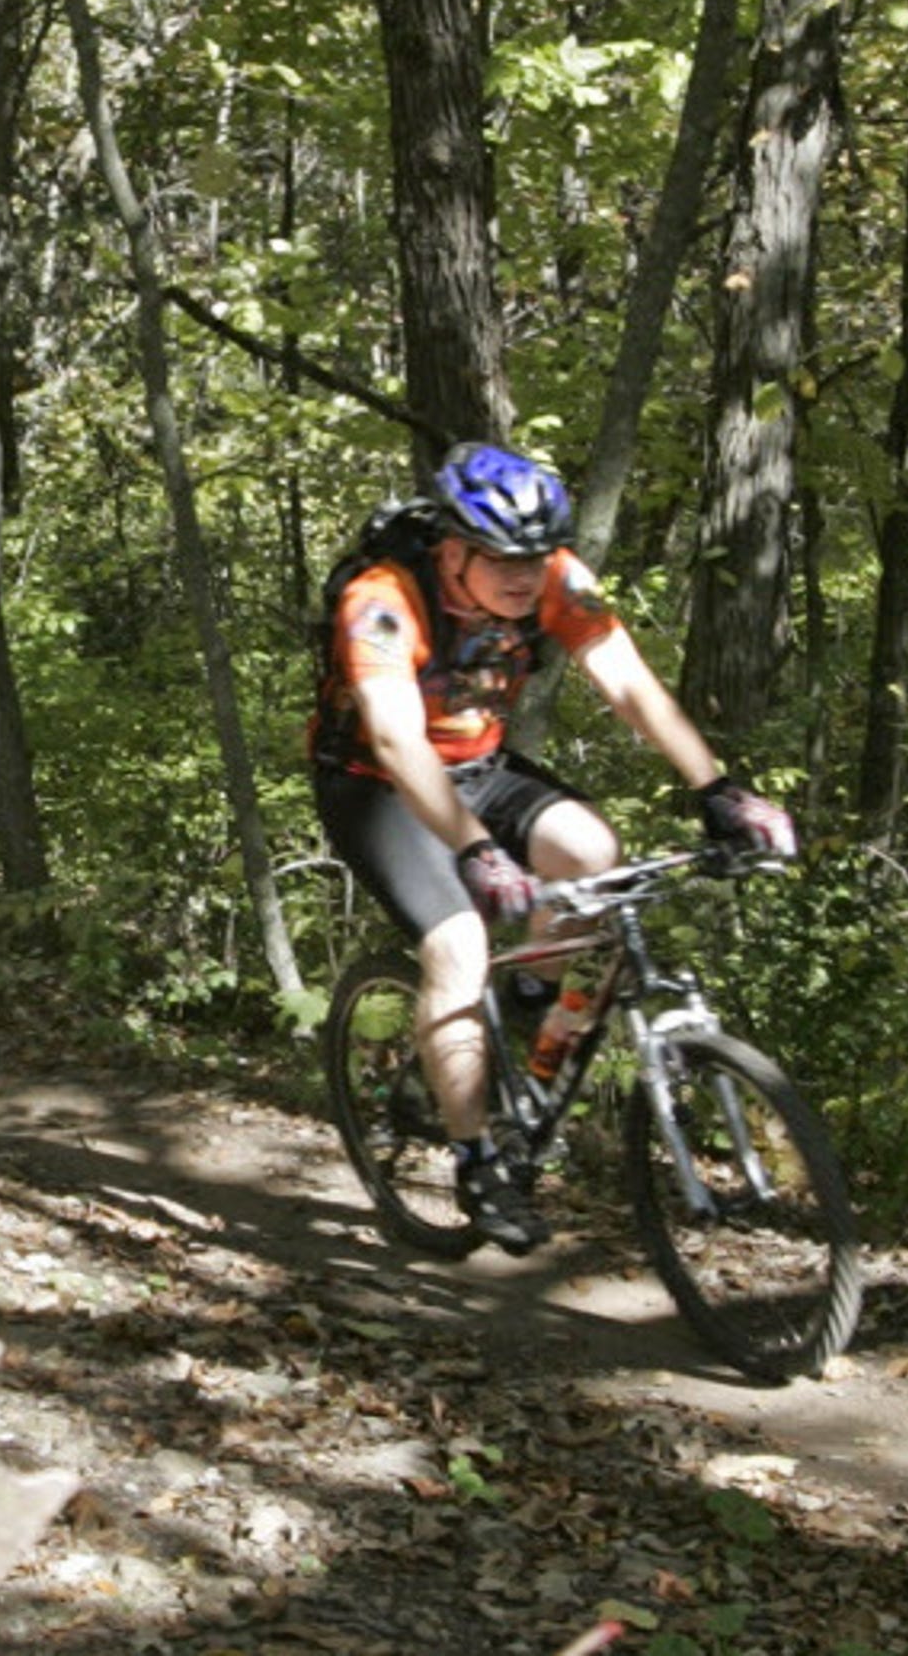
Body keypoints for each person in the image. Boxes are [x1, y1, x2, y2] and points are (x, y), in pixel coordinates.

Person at [309, 441, 797, 1254]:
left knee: (594, 857)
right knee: (460, 943)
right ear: (453, 548)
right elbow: (396, 742)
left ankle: (518, 1020)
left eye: (534, 559)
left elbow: (630, 684)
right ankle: (476, 1162)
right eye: (501, 558)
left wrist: (716, 790)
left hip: (478, 765)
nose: (523, 578)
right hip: (375, 782)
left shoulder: (559, 579)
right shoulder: (383, 599)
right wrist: (474, 851)